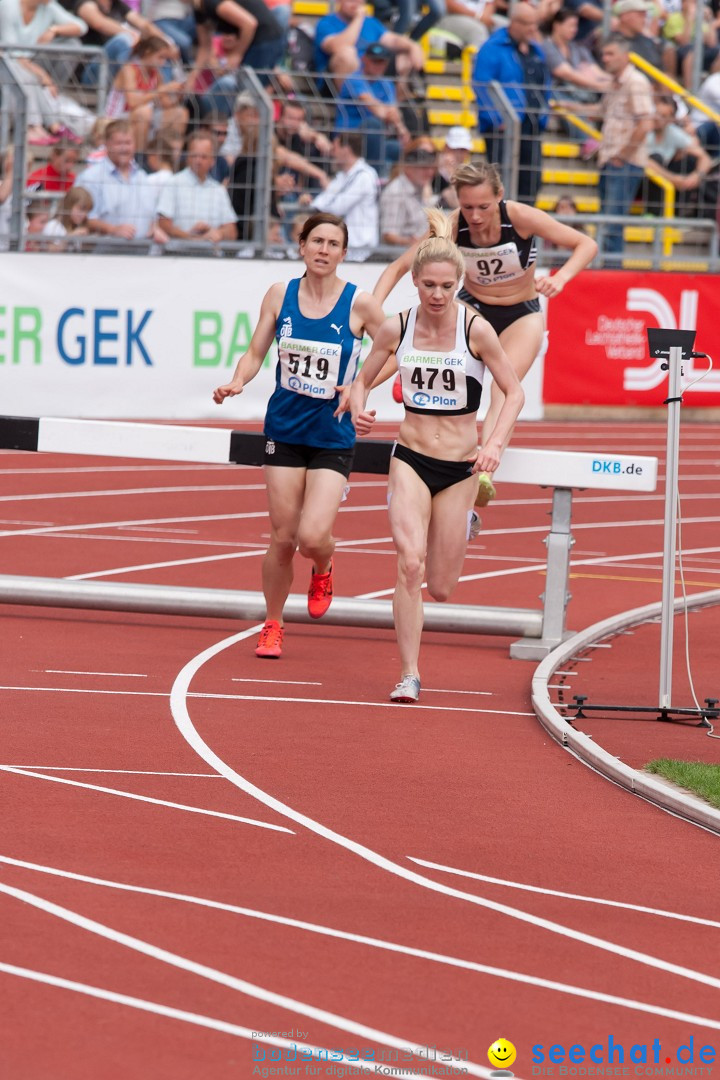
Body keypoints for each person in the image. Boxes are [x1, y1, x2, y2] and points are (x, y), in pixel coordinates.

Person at [346, 210, 524, 703]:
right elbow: (361, 381)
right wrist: (360, 410)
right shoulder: (397, 328)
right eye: (428, 285)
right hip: (411, 457)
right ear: (416, 283)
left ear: (459, 284)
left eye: (447, 286)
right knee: (409, 563)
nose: (438, 295)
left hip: (461, 466)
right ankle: (409, 673)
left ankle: (464, 517)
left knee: (442, 587)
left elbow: (513, 393)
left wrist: (493, 445)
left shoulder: (478, 331)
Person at [212, 212, 386, 659]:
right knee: (282, 537)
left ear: (344, 254)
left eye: (333, 244)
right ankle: (272, 623)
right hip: (284, 430)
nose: (324, 250)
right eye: (317, 241)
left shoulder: (360, 304)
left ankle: (324, 565)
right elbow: (255, 351)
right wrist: (238, 381)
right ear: (302, 246)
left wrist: (360, 388)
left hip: (332, 435)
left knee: (312, 536)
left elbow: (393, 349)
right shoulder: (279, 294)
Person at [373, 160, 597, 506]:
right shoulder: (453, 226)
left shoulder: (520, 217)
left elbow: (585, 244)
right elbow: (398, 268)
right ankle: (360, 387)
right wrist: (371, 311)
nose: (475, 216)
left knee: (503, 388)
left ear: (500, 197)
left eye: (483, 207)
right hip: (473, 306)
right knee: (411, 340)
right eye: (467, 207)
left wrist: (560, 278)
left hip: (522, 313)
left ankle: (484, 474)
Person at [567, 35, 654, 254]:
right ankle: (610, 266)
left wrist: (621, 156)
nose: (605, 59)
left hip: (622, 162)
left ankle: (612, 268)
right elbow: (600, 110)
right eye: (604, 54)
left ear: (625, 56)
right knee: (608, 221)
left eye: (610, 54)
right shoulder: (616, 82)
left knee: (612, 223)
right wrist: (569, 106)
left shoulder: (636, 82)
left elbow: (646, 123)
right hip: (613, 160)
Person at [472, 3, 552, 205]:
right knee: (502, 182)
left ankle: (524, 230)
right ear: (514, 23)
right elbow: (482, 86)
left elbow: (545, 84)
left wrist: (543, 117)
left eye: (535, 24)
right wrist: (497, 120)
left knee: (532, 182)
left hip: (530, 126)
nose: (533, 29)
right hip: (503, 128)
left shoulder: (536, 50)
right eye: (528, 24)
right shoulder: (493, 48)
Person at [105, 35, 188, 150]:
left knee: (180, 113)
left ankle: (168, 158)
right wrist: (162, 90)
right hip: (117, 118)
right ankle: (140, 158)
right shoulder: (129, 69)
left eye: (165, 59)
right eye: (160, 57)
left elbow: (165, 104)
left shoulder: (156, 74)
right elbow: (132, 102)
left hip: (143, 117)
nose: (163, 63)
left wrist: (180, 94)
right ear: (148, 53)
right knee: (144, 112)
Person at [157, 129, 237, 242]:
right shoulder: (173, 183)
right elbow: (163, 224)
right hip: (178, 255)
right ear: (187, 157)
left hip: (211, 255)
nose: (198, 161)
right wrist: (193, 238)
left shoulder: (218, 190)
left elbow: (232, 231)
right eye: (194, 155)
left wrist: (216, 232)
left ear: (212, 160)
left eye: (204, 157)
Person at [308, 132, 380, 257]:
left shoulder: (365, 176)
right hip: (347, 249)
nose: (332, 153)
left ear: (346, 150)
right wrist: (313, 204)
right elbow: (321, 202)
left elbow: (337, 208)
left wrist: (319, 207)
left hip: (362, 251)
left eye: (335, 148)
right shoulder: (343, 176)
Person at [379, 145, 438, 246]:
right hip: (398, 257)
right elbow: (388, 235)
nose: (430, 172)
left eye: (431, 168)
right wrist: (414, 242)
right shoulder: (396, 192)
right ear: (408, 168)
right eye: (423, 167)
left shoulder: (417, 187)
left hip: (417, 255)